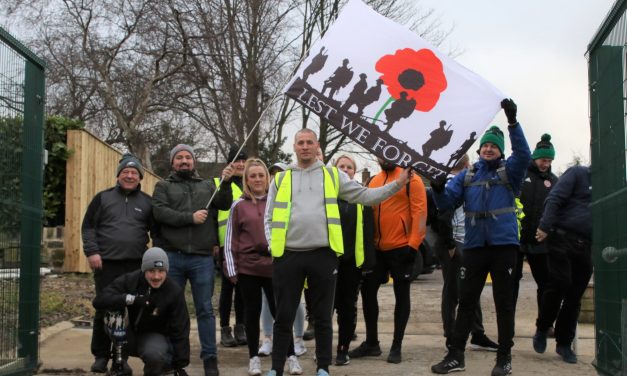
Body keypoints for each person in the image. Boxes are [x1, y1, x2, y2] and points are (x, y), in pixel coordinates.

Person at [264, 128, 412, 376]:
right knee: (284, 316)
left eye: (309, 142)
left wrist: (399, 184)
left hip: (323, 255)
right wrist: (273, 247)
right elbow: (268, 217)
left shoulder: (332, 176)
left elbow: (366, 196)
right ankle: (276, 368)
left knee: (323, 317)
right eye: (300, 142)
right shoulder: (280, 179)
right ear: (294, 146)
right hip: (288, 255)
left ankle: (323, 367)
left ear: (317, 146)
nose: (304, 146)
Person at [431, 99, 531, 376]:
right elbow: (445, 204)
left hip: (504, 247)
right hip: (475, 247)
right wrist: (438, 188)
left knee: (504, 303)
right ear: (479, 149)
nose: (488, 149)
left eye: (494, 146)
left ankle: (504, 359)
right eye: (485, 145)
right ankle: (456, 356)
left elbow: (523, 154)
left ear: (500, 151)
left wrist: (513, 123)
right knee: (466, 301)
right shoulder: (466, 176)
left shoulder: (510, 172)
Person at [152, 144, 234, 376]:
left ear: (194, 161)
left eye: (188, 157)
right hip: (172, 256)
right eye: (179, 157)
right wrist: (190, 218)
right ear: (172, 163)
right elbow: (160, 212)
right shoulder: (163, 186)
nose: (184, 161)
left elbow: (225, 203)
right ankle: (172, 359)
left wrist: (226, 182)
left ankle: (210, 359)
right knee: (171, 309)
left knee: (205, 310)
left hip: (201, 259)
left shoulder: (208, 185)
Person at [224, 158, 303, 376]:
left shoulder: (277, 201)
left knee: (281, 313)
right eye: (253, 176)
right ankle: (253, 358)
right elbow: (231, 238)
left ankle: (290, 356)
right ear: (246, 180)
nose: (257, 179)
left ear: (267, 179)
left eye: (261, 175)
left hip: (275, 266)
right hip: (248, 267)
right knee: (252, 312)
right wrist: (231, 268)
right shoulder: (238, 205)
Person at [349, 157, 427, 365]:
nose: (385, 159)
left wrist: (413, 245)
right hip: (376, 249)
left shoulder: (412, 180)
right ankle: (372, 343)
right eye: (381, 155)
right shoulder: (374, 181)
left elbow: (420, 214)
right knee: (367, 292)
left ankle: (396, 345)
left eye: (389, 155)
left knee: (401, 295)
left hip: (402, 247)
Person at [82, 153, 155, 373]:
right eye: (126, 172)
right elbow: (88, 227)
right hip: (106, 264)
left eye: (134, 173)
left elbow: (156, 232)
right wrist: (92, 251)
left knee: (132, 311)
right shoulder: (102, 198)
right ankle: (101, 355)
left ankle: (122, 357)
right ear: (118, 175)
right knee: (105, 309)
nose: (130, 176)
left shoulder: (147, 202)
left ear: (140, 177)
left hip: (136, 266)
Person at [434, 154, 498, 352]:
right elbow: (442, 215)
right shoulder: (452, 183)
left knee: (470, 289)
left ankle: (477, 333)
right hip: (454, 243)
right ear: (467, 164)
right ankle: (451, 334)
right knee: (452, 290)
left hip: (468, 242)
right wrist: (450, 243)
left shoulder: (467, 180)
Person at [92, 247, 190, 376]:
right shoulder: (130, 280)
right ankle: (119, 363)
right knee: (113, 314)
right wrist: (131, 299)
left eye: (161, 271)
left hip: (152, 336)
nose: (156, 276)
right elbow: (99, 301)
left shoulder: (174, 291)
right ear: (144, 270)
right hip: (125, 332)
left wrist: (180, 364)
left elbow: (181, 327)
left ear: (167, 271)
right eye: (151, 271)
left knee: (155, 355)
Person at [532, 164, 592, 364]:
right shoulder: (578, 174)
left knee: (575, 296)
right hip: (562, 238)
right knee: (560, 283)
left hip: (588, 245)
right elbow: (554, 198)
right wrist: (545, 225)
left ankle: (564, 343)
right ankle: (543, 327)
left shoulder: (610, 185)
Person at [259, 162, 307, 358]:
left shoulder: (297, 198)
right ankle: (268, 338)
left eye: (280, 173)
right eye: (273, 174)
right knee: (267, 300)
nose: (275, 177)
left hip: (293, 255)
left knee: (295, 300)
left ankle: (298, 338)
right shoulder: (263, 198)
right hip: (269, 257)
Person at [332, 155, 376, 366]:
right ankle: (323, 348)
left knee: (347, 308)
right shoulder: (326, 194)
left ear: (354, 172)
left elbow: (369, 232)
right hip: (327, 261)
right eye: (341, 166)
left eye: (349, 167)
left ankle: (343, 349)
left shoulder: (361, 197)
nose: (346, 169)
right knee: (324, 308)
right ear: (335, 170)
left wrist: (368, 263)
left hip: (351, 263)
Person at [513, 134, 558, 320]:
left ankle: (545, 323)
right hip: (516, 238)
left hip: (540, 241)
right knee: (510, 282)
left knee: (546, 283)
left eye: (548, 160)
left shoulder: (554, 182)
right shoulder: (522, 174)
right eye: (542, 159)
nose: (545, 164)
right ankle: (507, 323)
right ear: (534, 157)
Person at [215, 146, 247, 348]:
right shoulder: (218, 184)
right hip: (225, 245)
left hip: (245, 245)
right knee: (227, 289)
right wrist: (213, 243)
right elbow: (211, 214)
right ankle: (225, 329)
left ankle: (241, 327)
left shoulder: (250, 184)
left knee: (243, 289)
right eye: (237, 160)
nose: (241, 164)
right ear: (230, 163)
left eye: (244, 161)